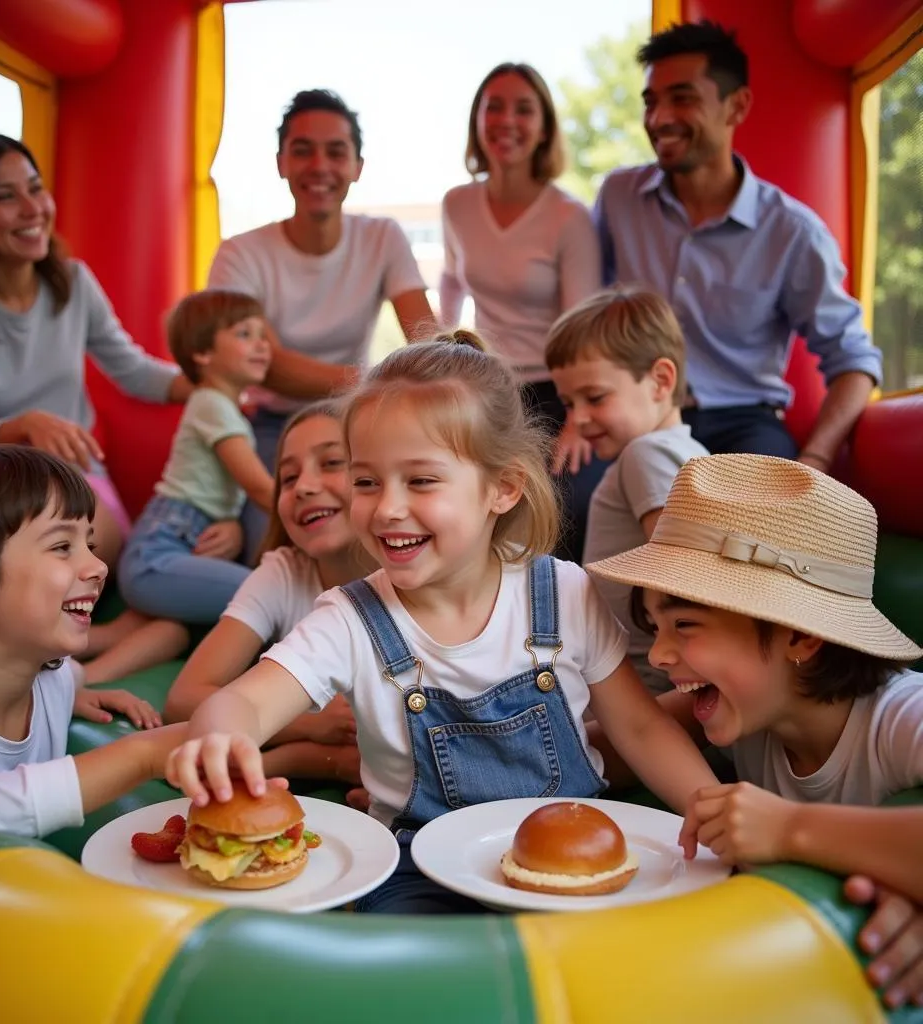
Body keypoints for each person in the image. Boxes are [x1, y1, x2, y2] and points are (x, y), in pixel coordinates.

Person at [165, 332, 719, 914]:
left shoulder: (562, 591)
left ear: (502, 488)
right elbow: (247, 702)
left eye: (421, 480)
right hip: (418, 873)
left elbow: (640, 729)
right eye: (366, 481)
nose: (386, 507)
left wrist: (708, 805)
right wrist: (222, 732)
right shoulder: (349, 618)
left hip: (573, 858)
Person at [585, 452, 923, 1009]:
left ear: (800, 637)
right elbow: (620, 742)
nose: (662, 655)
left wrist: (789, 828)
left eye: (686, 625)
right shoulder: (749, 710)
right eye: (656, 625)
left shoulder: (899, 717)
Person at [593, 22, 883, 472]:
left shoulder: (791, 232)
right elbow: (586, 308)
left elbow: (855, 360)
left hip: (743, 421)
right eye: (651, 102)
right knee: (571, 499)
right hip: (637, 415)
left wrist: (817, 458)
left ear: (737, 106)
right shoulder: (618, 198)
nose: (658, 118)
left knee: (756, 515)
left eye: (682, 99)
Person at [0, 132, 192, 569]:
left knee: (66, 558)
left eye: (35, 188)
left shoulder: (74, 283)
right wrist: (23, 426)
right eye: (6, 197)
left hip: (79, 479)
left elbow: (131, 369)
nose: (33, 208)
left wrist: (213, 384)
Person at [0, 446, 187, 836]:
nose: (99, 566)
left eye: (90, 545)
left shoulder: (51, 679)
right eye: (61, 547)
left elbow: (76, 675)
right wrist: (143, 755)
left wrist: (77, 693)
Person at [207, 88, 437, 557]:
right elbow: (267, 365)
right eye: (303, 150)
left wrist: (384, 390)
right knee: (273, 549)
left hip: (355, 418)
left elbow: (426, 340)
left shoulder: (382, 236)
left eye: (336, 152)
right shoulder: (240, 253)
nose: (319, 166)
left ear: (357, 167)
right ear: (281, 163)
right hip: (272, 424)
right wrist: (378, 381)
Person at [441, 62, 605, 560]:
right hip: (489, 386)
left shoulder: (568, 217)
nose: (506, 120)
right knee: (458, 497)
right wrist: (441, 352)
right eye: (494, 106)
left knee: (557, 507)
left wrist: (578, 417)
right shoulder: (457, 204)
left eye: (523, 109)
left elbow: (583, 329)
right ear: (477, 120)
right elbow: (451, 279)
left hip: (557, 393)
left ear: (544, 127)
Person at [164, 401, 366, 802]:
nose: (304, 486)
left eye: (330, 463)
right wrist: (309, 726)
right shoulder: (284, 573)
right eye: (288, 477)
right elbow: (183, 698)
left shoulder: (418, 580)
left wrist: (297, 756)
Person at [545, 285, 708, 692]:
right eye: (568, 403)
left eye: (595, 397)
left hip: (637, 681)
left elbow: (677, 572)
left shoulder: (645, 454)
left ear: (660, 381)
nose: (579, 419)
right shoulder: (689, 451)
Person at [118, 291, 276, 625]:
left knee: (170, 633)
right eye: (245, 334)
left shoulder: (226, 410)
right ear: (202, 352)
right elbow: (260, 489)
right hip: (156, 555)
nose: (263, 345)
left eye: (263, 335)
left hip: (174, 552)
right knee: (266, 594)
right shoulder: (211, 405)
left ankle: (80, 671)